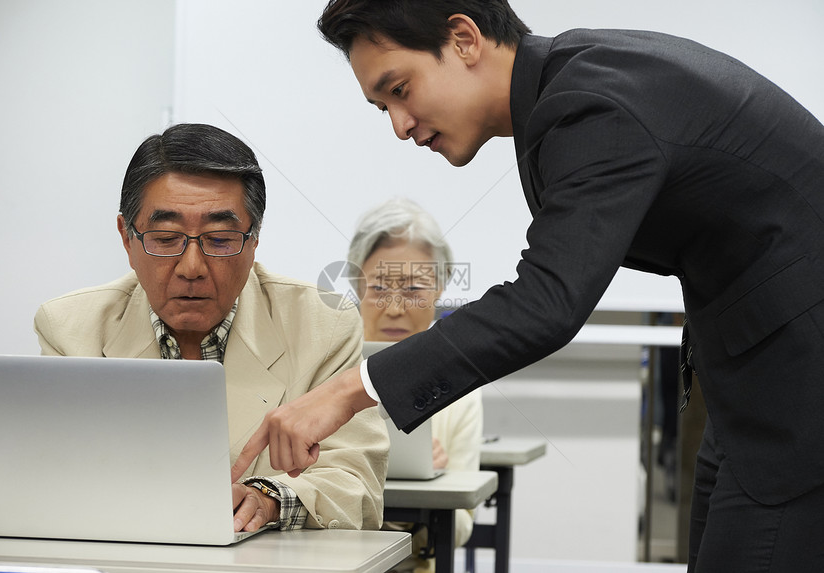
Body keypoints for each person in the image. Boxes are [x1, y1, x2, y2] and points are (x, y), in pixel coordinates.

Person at [232, 2, 824, 570]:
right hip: (755, 372)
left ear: (464, 39)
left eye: (401, 90)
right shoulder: (573, 85)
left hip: (796, 372)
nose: (399, 126)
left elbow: (546, 301)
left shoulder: (589, 104)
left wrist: (343, 393)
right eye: (381, 106)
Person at [34, 122, 388, 534]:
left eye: (220, 239)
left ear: (254, 240)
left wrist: (268, 500)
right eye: (165, 238)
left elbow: (356, 486)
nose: (191, 268)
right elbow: (48, 477)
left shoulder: (322, 325)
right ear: (126, 239)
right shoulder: (70, 329)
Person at [348, 197, 482, 572]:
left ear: (440, 289)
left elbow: (460, 529)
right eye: (378, 288)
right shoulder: (324, 366)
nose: (394, 308)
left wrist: (436, 486)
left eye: (412, 289)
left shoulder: (463, 382)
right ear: (357, 287)